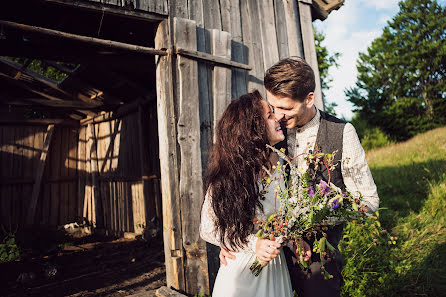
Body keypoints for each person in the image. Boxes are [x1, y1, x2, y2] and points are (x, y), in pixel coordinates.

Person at [220, 57, 380, 297]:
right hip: (267, 253)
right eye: (273, 108)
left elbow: (368, 200)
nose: (279, 116)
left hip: (316, 257)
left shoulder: (342, 133)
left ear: (309, 99)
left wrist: (318, 213)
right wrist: (235, 240)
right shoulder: (270, 129)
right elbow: (241, 183)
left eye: (286, 108)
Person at [199, 90, 293, 297]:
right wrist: (253, 243)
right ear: (252, 129)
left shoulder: (284, 164)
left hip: (275, 267)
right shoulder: (229, 176)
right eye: (269, 116)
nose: (278, 117)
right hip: (241, 271)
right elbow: (207, 229)